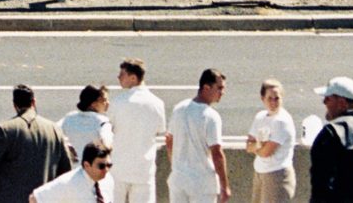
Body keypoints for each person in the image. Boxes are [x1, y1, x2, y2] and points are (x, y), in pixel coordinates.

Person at [0, 84, 72, 203]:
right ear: (33, 102)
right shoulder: (54, 130)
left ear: (14, 105)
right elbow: (66, 171)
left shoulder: (6, 130)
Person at [107, 59, 167, 203]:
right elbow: (160, 129)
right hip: (143, 169)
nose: (119, 77)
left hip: (118, 167)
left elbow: (109, 128)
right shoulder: (157, 103)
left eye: (122, 74)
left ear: (133, 78)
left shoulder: (117, 102)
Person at [169, 69, 231, 203]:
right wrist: (224, 185)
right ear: (206, 88)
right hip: (202, 183)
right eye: (219, 88)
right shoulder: (211, 116)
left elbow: (169, 140)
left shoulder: (179, 109)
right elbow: (217, 153)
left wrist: (176, 166)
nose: (222, 92)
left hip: (178, 180)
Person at [244, 78, 297, 203]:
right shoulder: (260, 117)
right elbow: (248, 146)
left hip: (277, 176)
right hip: (260, 174)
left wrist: (257, 147)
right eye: (270, 98)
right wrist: (259, 145)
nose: (273, 102)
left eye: (277, 98)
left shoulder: (282, 121)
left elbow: (266, 152)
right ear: (263, 99)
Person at [32, 142, 117, 203]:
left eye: (109, 165)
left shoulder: (108, 180)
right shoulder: (69, 182)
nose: (106, 170)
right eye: (101, 166)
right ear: (87, 165)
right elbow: (35, 198)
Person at [57, 85, 114, 165]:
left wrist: (66, 146)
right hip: (92, 170)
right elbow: (107, 143)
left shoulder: (69, 118)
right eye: (104, 100)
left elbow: (53, 133)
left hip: (72, 168)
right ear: (93, 104)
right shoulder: (103, 121)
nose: (107, 103)